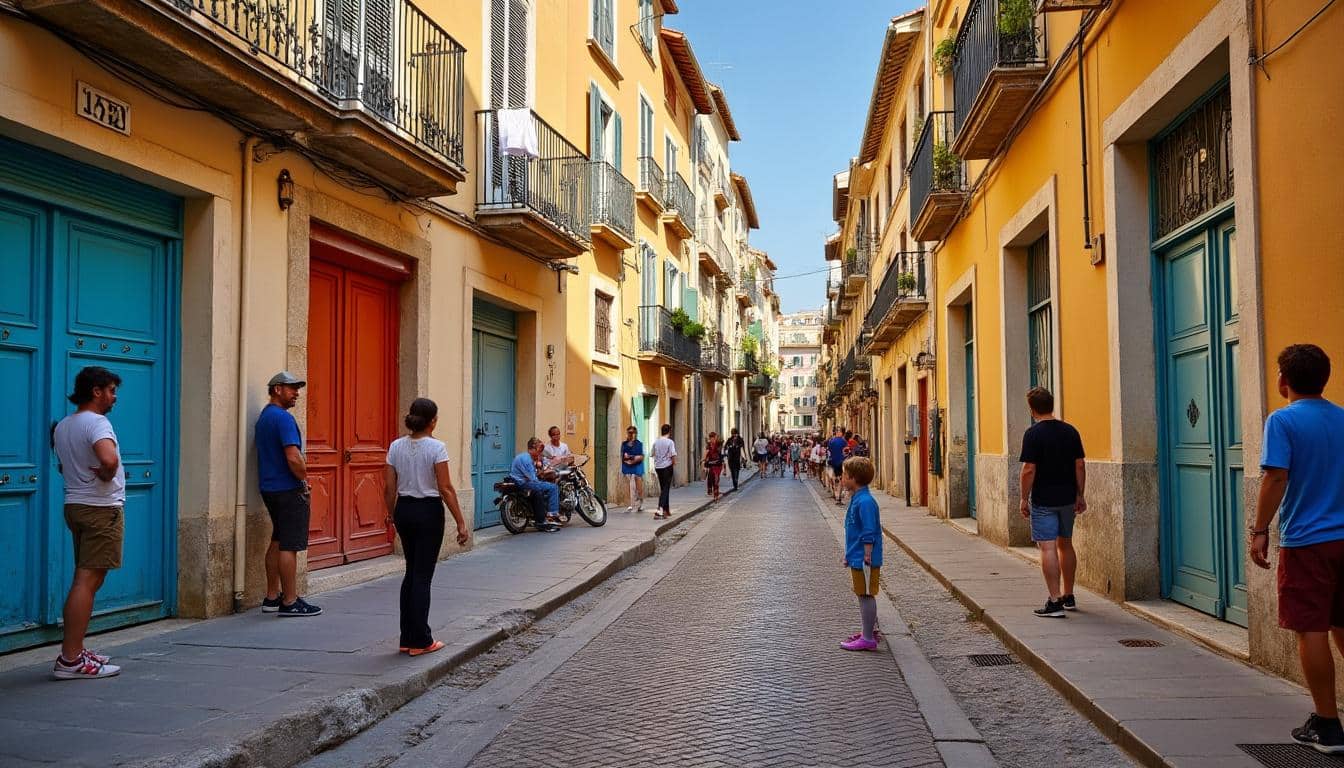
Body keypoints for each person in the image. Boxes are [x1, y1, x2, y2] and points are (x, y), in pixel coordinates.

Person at [1249, 344, 1344, 754]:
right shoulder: (1342, 418)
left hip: (1307, 540)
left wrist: (1259, 529)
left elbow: (1275, 479)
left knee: (1312, 629)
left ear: (1283, 380)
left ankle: (1327, 723)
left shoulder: (1282, 421)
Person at [51, 366, 125, 680]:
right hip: (99, 509)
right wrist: (108, 475)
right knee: (87, 582)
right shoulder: (96, 422)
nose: (114, 397)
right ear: (95, 391)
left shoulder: (64, 425)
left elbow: (62, 466)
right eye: (110, 390)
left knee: (86, 579)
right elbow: (109, 459)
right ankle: (70, 660)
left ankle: (75, 649)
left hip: (77, 506)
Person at [383, 398, 469, 657]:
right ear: (433, 421)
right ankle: (421, 640)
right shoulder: (437, 447)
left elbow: (389, 487)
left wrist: (391, 514)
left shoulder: (395, 446)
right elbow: (445, 488)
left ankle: (406, 637)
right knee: (422, 575)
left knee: (411, 573)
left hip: (404, 510)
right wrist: (461, 522)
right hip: (428, 511)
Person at [256, 371, 322, 617]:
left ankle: (272, 597)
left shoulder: (265, 416)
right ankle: (290, 601)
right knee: (289, 546)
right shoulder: (282, 418)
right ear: (277, 389)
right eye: (292, 388)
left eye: (297, 388)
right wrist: (303, 479)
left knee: (278, 539)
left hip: (270, 487)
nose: (296, 393)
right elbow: (293, 456)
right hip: (287, 488)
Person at [1018, 386, 1086, 619]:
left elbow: (1028, 469)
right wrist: (1080, 494)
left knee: (1048, 547)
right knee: (1065, 544)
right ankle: (1069, 595)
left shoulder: (1033, 434)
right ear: (1052, 404)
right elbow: (1079, 465)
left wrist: (1023, 498)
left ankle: (1054, 600)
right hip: (1068, 498)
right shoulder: (1071, 431)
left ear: (1032, 409)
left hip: (1044, 500)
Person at [840, 456, 883, 652]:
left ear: (854, 478)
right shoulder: (858, 499)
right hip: (857, 556)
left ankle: (867, 638)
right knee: (862, 593)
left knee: (865, 595)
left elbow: (868, 531)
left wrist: (866, 555)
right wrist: (848, 554)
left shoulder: (865, 502)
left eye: (844, 475)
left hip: (864, 558)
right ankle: (869, 630)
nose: (842, 478)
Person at [511, 438, 560, 533]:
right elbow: (533, 479)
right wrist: (542, 472)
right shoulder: (527, 459)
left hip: (520, 480)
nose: (540, 453)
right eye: (539, 450)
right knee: (553, 487)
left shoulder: (524, 457)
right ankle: (552, 515)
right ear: (532, 449)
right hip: (523, 483)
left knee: (544, 486)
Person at [651, 423, 677, 520]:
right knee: (666, 488)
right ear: (669, 431)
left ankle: (666, 509)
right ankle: (659, 509)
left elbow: (652, 453)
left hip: (658, 467)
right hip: (667, 467)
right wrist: (673, 463)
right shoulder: (670, 442)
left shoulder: (656, 442)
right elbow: (673, 454)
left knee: (664, 488)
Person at [620, 426, 645, 513]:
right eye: (629, 433)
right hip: (627, 465)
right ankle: (630, 504)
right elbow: (623, 455)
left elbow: (640, 456)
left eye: (632, 433)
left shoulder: (639, 444)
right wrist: (628, 459)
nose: (630, 434)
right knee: (628, 484)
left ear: (635, 434)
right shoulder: (624, 444)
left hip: (637, 465)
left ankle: (640, 502)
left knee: (638, 484)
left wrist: (630, 457)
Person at [826, 427, 850, 504]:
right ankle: (838, 497)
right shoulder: (843, 441)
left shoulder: (831, 441)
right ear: (841, 433)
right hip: (840, 462)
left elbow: (829, 450)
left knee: (833, 478)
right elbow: (847, 451)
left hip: (832, 462)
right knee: (840, 480)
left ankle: (834, 493)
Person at [703, 432, 724, 501]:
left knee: (716, 478)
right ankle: (711, 490)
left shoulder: (719, 444)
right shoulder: (709, 444)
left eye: (714, 438)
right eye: (711, 438)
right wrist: (704, 460)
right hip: (711, 464)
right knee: (711, 477)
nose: (713, 439)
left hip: (718, 464)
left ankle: (716, 494)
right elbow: (706, 452)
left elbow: (720, 452)